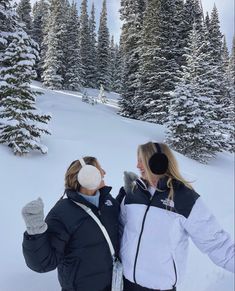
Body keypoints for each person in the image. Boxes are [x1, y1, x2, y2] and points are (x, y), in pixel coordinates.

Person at [117, 141, 234, 291]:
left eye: (141, 160)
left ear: (157, 162)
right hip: (126, 284)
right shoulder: (133, 194)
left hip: (159, 287)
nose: (137, 166)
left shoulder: (184, 198)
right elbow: (121, 230)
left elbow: (217, 243)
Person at [22, 157, 120, 291]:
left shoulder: (109, 202)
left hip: (114, 286)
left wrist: (128, 196)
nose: (104, 172)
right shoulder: (62, 213)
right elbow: (44, 263)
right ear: (88, 175)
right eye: (99, 169)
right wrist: (35, 230)